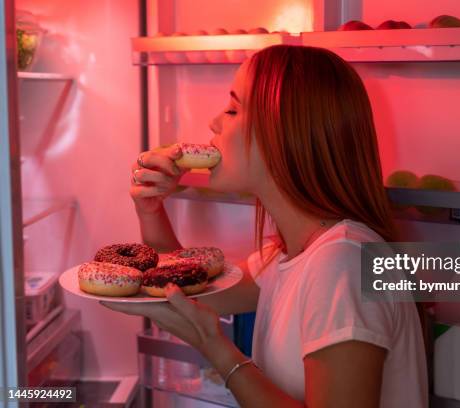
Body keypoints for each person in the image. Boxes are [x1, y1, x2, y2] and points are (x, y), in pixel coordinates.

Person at [102, 45, 428, 407]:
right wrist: (151, 210)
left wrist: (217, 349)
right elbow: (180, 289)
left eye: (232, 109)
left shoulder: (343, 264)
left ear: (285, 134)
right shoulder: (289, 254)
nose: (213, 123)